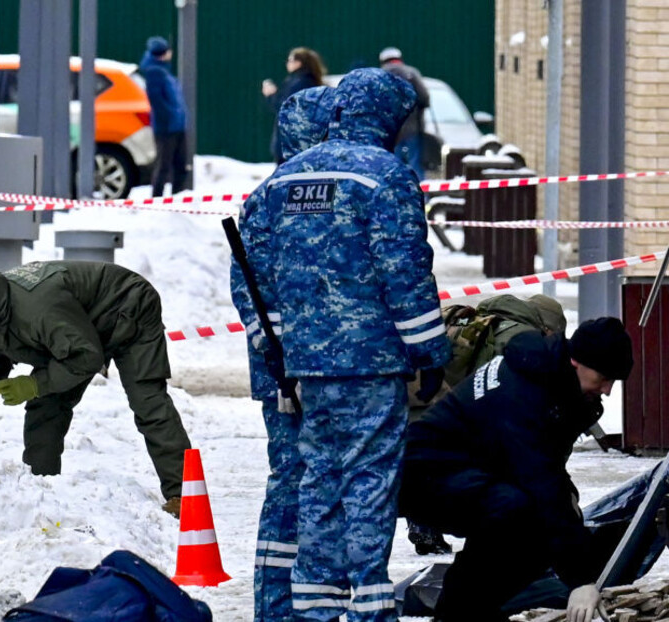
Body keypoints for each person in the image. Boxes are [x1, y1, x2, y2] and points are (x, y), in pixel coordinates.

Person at [238, 67, 451, 621]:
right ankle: (371, 606)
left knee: (318, 483)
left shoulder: (286, 179)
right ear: (387, 117)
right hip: (370, 363)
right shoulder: (384, 176)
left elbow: (261, 283)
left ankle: (312, 607)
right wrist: (430, 352)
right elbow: (404, 273)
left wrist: (278, 358)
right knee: (370, 482)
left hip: (307, 367)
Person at [400, 317, 634, 622]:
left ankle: (468, 610)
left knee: (537, 520)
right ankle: (459, 613)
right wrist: (580, 580)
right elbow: (541, 483)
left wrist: (570, 504)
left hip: (468, 471)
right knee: (520, 514)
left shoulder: (552, 377)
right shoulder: (525, 391)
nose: (607, 390)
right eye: (603, 378)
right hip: (423, 475)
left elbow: (546, 472)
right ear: (577, 361)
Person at [0, 260, 193, 517]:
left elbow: (86, 357)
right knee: (45, 406)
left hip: (127, 307)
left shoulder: (36, 311)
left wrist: (34, 383)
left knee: (148, 402)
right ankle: (41, 493)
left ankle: (185, 496)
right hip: (76, 331)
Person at [230, 84, 338, 621]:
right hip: (292, 375)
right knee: (295, 483)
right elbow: (253, 290)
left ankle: (295, 602)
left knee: (304, 483)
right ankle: (279, 606)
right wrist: (284, 363)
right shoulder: (280, 195)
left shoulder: (289, 190)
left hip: (307, 367)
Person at [404, 293, 567, 555]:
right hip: (443, 403)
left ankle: (425, 524)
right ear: (549, 327)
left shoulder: (485, 319)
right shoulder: (521, 338)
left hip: (425, 394)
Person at [139, 36, 188, 197]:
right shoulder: (155, 72)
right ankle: (159, 199)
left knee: (178, 164)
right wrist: (170, 118)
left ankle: (176, 198)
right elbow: (157, 101)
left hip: (175, 124)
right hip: (167, 127)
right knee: (165, 165)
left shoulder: (161, 70)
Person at [261, 47, 326, 163]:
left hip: (291, 142)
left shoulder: (298, 83)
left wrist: (271, 95)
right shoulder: (308, 81)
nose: (287, 63)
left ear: (299, 62)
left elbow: (285, 108)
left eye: (290, 60)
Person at [378, 47, 430, 179]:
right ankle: (420, 196)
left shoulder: (379, 76)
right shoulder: (411, 74)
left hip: (390, 131)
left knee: (392, 165)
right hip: (412, 129)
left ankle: (395, 195)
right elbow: (424, 97)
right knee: (414, 165)